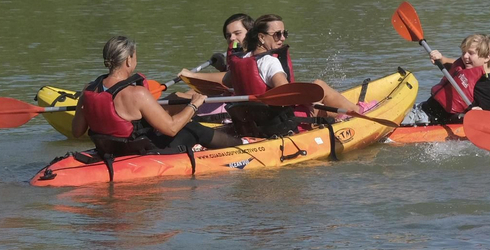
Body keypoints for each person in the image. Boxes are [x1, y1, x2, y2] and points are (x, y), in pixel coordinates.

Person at [71, 36, 238, 155]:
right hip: (140, 151)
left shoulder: (88, 90)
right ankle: (241, 146)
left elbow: (77, 131)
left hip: (110, 149)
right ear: (129, 60)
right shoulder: (138, 94)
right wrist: (194, 104)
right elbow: (171, 129)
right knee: (192, 128)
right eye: (135, 56)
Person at [218, 14, 362, 136]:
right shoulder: (270, 61)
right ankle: (359, 114)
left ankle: (346, 115)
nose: (282, 38)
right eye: (277, 34)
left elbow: (226, 81)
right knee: (320, 86)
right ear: (261, 37)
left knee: (316, 99)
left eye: (284, 33)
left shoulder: (242, 60)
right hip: (283, 123)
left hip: (255, 124)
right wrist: (308, 100)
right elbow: (287, 93)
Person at [415, 33, 490, 126]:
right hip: (424, 110)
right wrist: (440, 59)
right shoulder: (467, 66)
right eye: (464, 52)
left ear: (487, 57)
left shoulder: (489, 86)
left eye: (471, 53)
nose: (465, 56)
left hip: (432, 120)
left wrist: (483, 115)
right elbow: (453, 67)